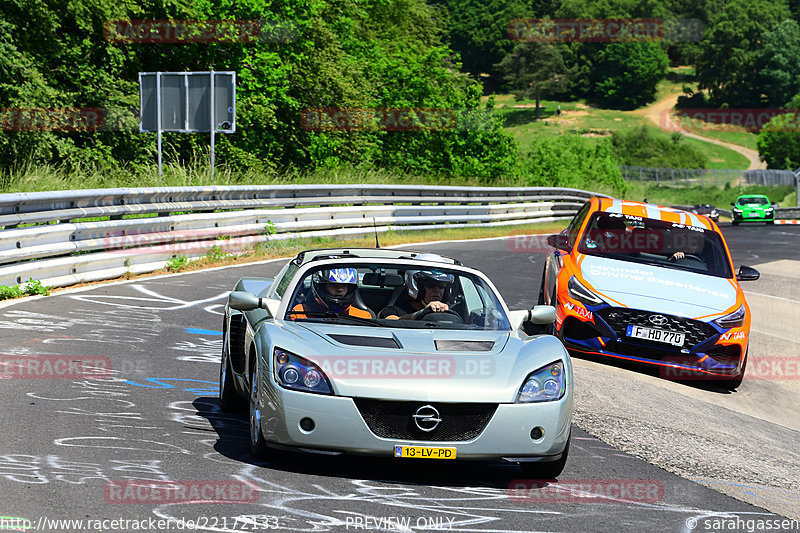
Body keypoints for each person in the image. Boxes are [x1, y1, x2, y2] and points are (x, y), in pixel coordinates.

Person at [290, 268, 373, 319]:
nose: (340, 289)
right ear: (321, 287)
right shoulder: (300, 313)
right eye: (333, 285)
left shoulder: (363, 316)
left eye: (344, 285)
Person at [380, 269, 454, 319]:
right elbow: (392, 322)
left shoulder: (450, 311)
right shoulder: (395, 310)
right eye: (431, 285)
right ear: (418, 286)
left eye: (442, 286)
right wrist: (422, 313)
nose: (437, 290)